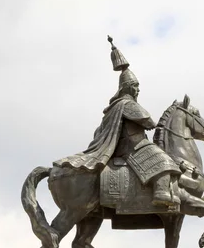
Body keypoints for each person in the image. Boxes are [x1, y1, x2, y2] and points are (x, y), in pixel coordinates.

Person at [53, 36, 181, 206]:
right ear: (127, 87)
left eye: (138, 86)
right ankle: (161, 193)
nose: (137, 90)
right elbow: (149, 122)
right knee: (162, 159)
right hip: (133, 147)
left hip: (121, 146)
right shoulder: (127, 104)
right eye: (135, 86)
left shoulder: (113, 107)